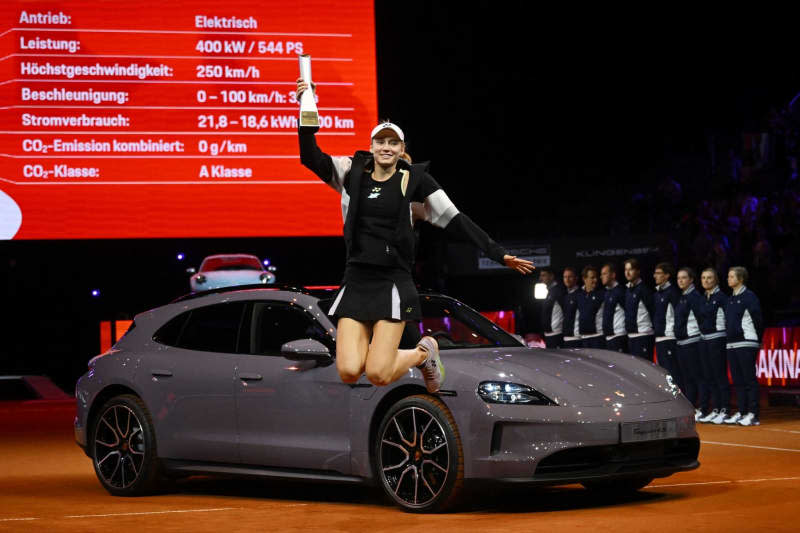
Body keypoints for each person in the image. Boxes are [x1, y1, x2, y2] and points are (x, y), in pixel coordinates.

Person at [296, 79, 534, 392]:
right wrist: (306, 105)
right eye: (380, 141)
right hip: (356, 279)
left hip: (394, 280)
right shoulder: (351, 171)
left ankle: (424, 354)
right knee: (349, 371)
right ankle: (420, 354)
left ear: (401, 149)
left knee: (380, 374)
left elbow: (455, 219)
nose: (386, 147)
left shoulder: (415, 182)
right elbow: (310, 156)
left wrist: (498, 253)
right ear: (371, 146)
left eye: (393, 143)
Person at [723, 266, 763, 426]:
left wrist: (757, 340)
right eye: (728, 276)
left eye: (731, 276)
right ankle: (742, 411)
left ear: (740, 279)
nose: (728, 279)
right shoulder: (730, 299)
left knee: (749, 380)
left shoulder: (749, 296)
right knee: (738, 381)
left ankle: (753, 414)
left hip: (747, 342)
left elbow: (758, 320)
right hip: (732, 344)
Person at [698, 268, 730, 424]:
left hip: (717, 339)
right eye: (703, 277)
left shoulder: (722, 297)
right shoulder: (703, 297)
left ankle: (725, 408)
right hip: (704, 340)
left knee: (719, 375)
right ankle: (716, 408)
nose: (706, 280)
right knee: (709, 376)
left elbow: (728, 320)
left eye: (709, 278)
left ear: (716, 280)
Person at [674, 267, 705, 421]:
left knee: (696, 376)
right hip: (681, 342)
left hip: (692, 341)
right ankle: (690, 406)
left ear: (691, 280)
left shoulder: (694, 297)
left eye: (684, 278)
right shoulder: (682, 297)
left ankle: (701, 407)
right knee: (686, 377)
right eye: (679, 278)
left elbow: (701, 319)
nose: (680, 280)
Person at [652, 262, 682, 391]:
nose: (655, 276)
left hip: (669, 337)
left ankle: (680, 400)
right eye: (655, 273)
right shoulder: (656, 294)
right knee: (664, 374)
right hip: (659, 338)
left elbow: (678, 314)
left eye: (659, 273)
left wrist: (673, 332)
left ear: (667, 276)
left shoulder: (672, 293)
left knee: (673, 372)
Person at [623, 258, 655, 359]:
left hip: (643, 335)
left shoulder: (644, 290)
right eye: (625, 270)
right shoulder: (627, 290)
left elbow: (653, 311)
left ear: (638, 271)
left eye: (630, 269)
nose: (627, 273)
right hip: (631, 336)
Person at [574, 265, 605, 348]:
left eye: (596, 277)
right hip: (583, 338)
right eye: (592, 277)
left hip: (597, 337)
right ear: (584, 279)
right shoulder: (579, 295)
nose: (595, 280)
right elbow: (577, 316)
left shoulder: (602, 294)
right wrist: (577, 335)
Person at [601, 262, 627, 352]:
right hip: (609, 337)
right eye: (601, 274)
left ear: (613, 275)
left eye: (604, 274)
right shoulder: (606, 293)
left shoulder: (620, 291)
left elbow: (628, 311)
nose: (601, 277)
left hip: (619, 336)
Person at [539, 267, 565, 349]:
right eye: (541, 276)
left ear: (551, 276)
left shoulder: (559, 291)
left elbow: (566, 311)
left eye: (544, 275)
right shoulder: (550, 292)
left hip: (556, 334)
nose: (541, 278)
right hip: (549, 334)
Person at [560, 267, 581, 348]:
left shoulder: (580, 294)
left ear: (576, 278)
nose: (567, 279)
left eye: (570, 277)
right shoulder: (565, 296)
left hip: (577, 338)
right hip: (566, 338)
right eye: (565, 277)